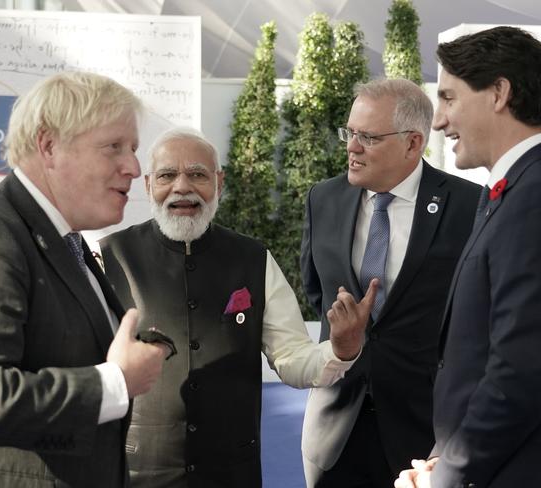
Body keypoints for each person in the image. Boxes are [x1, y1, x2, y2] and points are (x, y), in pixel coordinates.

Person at [99, 127, 375, 488]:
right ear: (149, 185)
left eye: (198, 174)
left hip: (232, 472)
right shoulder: (109, 259)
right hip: (135, 472)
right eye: (168, 175)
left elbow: (292, 358)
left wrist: (343, 348)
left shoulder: (254, 259)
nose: (182, 187)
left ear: (219, 182)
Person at [0, 71, 172, 487]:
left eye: (132, 149)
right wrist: (115, 381)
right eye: (113, 147)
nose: (134, 167)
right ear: (48, 146)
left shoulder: (67, 242)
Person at [395, 26, 541, 488]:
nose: (438, 121)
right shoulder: (517, 190)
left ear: (499, 92)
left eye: (449, 98)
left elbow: (520, 375)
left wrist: (446, 477)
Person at [300, 78, 481, 488]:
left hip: (426, 436)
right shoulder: (322, 199)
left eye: (368, 136)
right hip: (334, 432)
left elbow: (474, 318)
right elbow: (316, 289)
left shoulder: (470, 206)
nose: (352, 146)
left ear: (413, 143)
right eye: (349, 132)